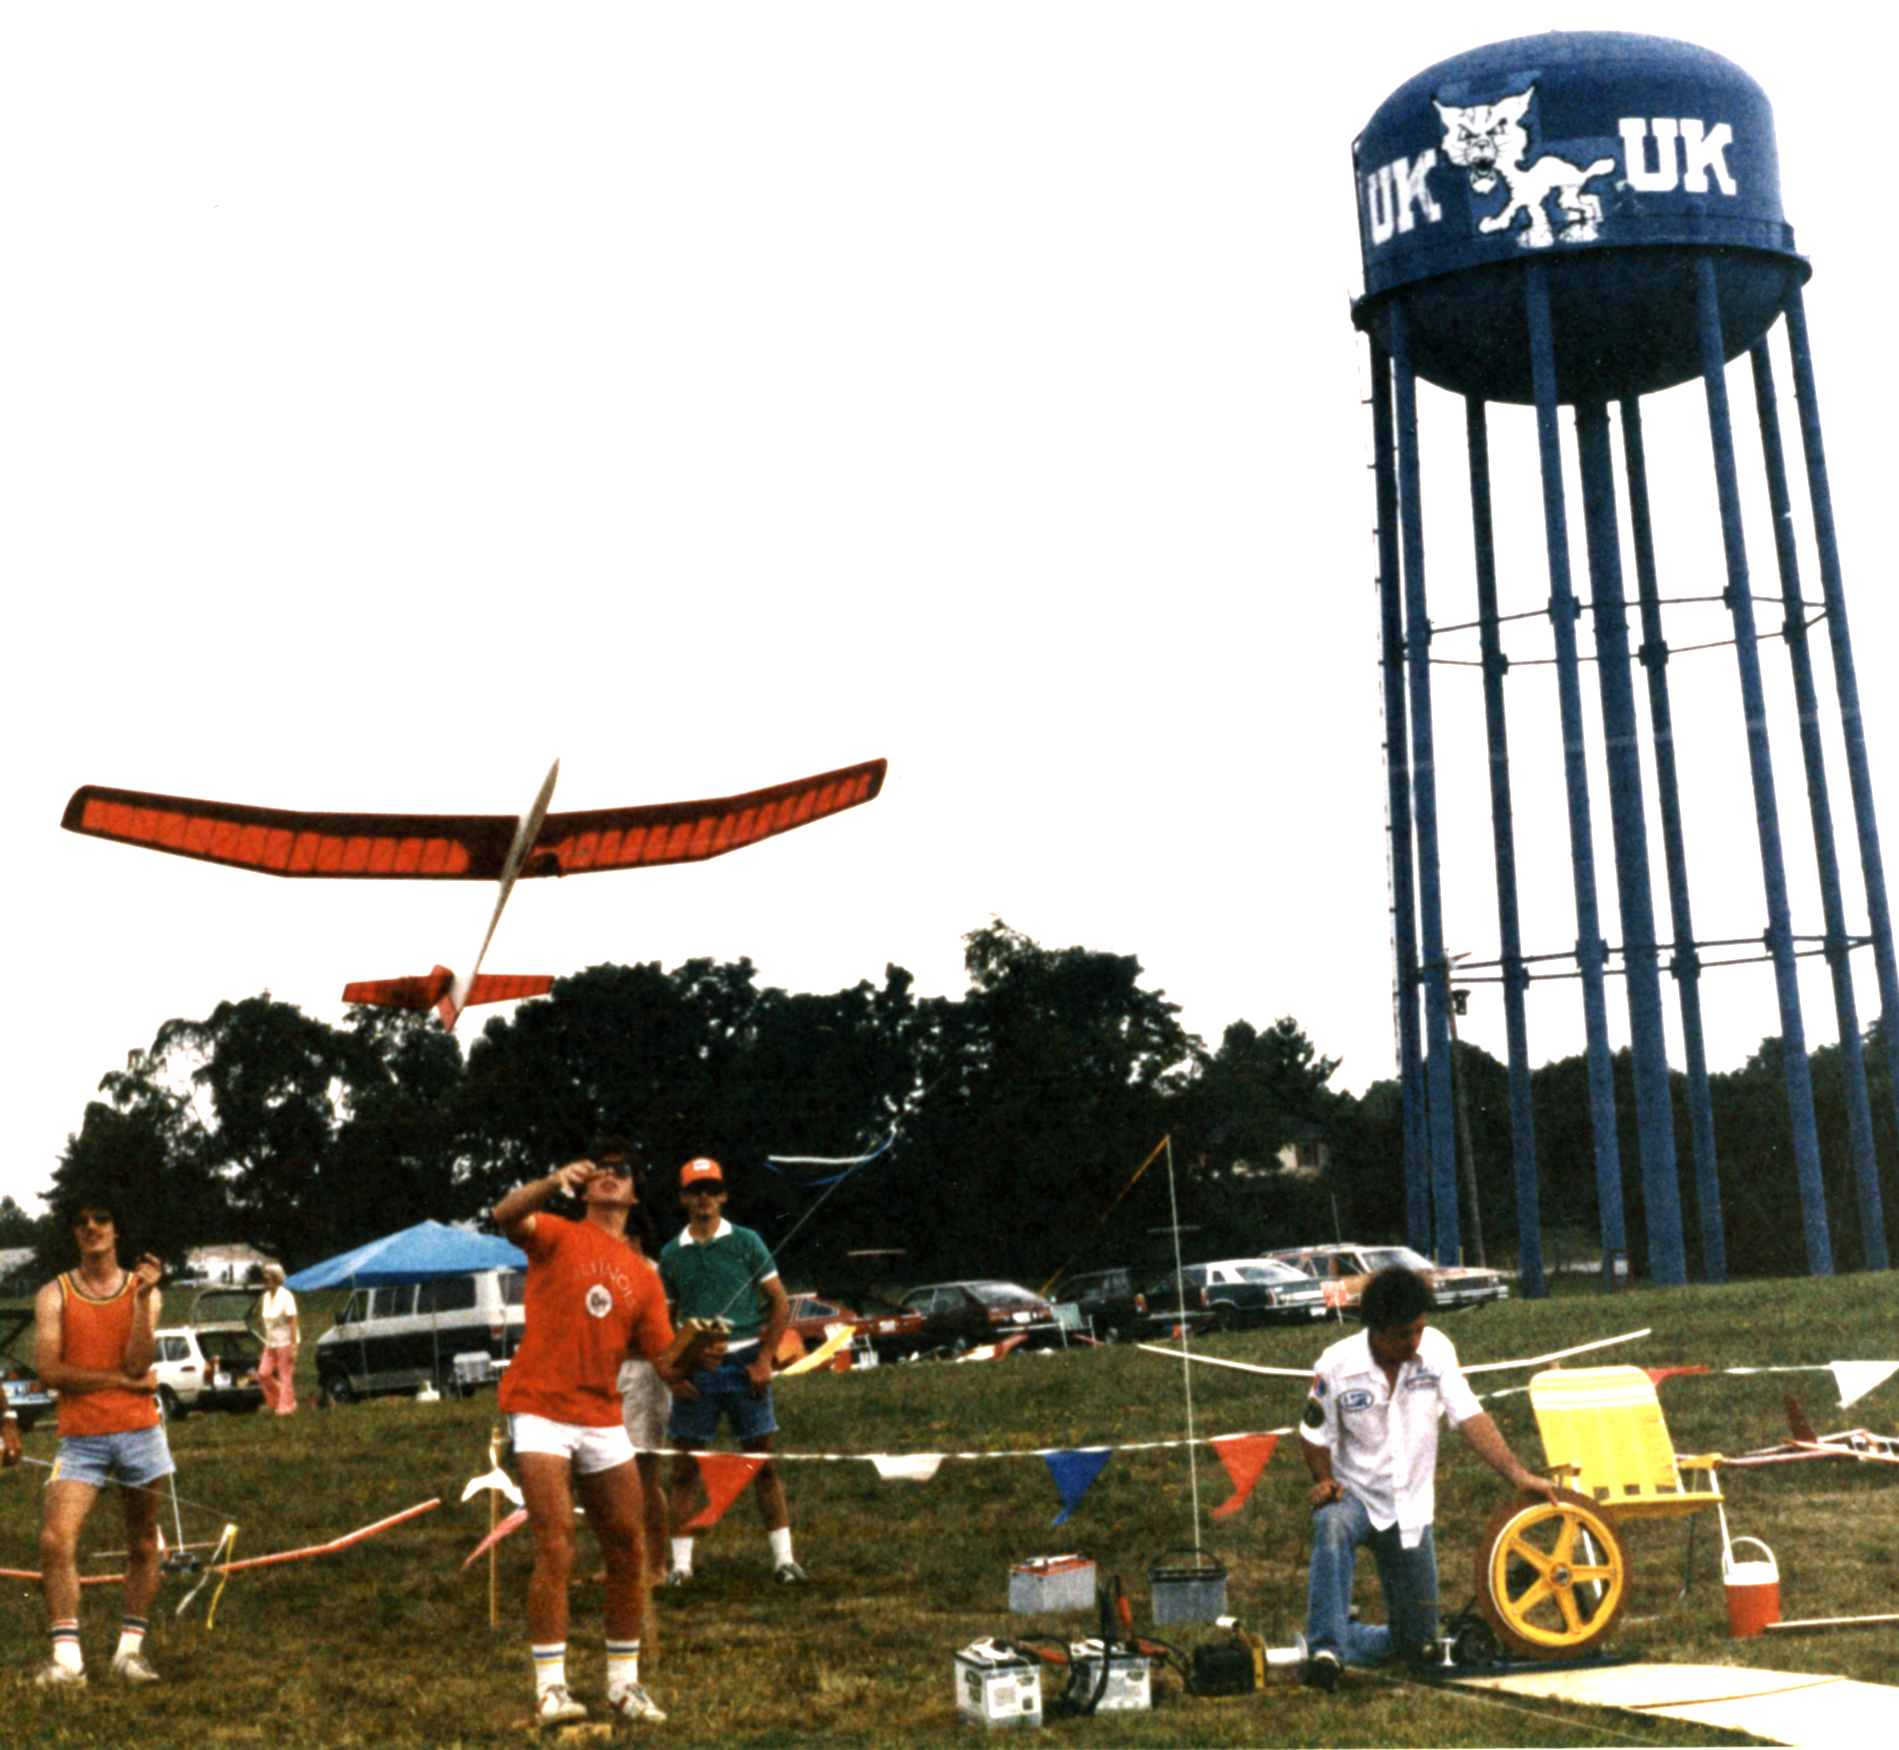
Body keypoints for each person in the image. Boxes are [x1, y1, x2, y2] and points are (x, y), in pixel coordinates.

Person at [1298, 1263, 1556, 1691]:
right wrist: (1324, 1479)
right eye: (1403, 1334)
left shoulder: (1436, 1351)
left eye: (1420, 1329)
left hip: (1411, 1508)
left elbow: (1470, 1417)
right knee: (1330, 1523)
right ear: (1376, 1331)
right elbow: (1313, 1434)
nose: (1415, 1341)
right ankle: (1326, 1652)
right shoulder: (1335, 1365)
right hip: (1355, 1497)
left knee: (1416, 1645)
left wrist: (1518, 1474)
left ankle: (1349, 1632)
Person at [495, 1138, 676, 1728]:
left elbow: (666, 1360)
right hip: (539, 1407)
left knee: (629, 1548)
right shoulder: (556, 1231)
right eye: (598, 1170)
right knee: (556, 1545)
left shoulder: (646, 1277)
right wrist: (553, 1180)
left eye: (620, 1172)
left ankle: (624, 1686)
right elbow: (504, 1216)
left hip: (603, 1415)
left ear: (634, 1189)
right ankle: (551, 1689)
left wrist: (705, 1354)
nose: (607, 1177)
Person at [31, 1191, 171, 1688]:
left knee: (142, 1540)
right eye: (82, 1220)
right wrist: (120, 1382)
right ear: (75, 1233)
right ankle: (68, 1662)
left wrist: (138, 1303)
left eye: (102, 1218)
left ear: (117, 1231)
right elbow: (50, 1372)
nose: (91, 1226)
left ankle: (129, 1653)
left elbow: (138, 1364)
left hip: (140, 1432)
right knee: (55, 1539)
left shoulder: (145, 1291)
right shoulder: (54, 1294)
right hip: (81, 1440)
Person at [659, 1157, 803, 1586]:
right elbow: (665, 1321)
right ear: (684, 1197)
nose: (704, 1198)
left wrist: (764, 1360)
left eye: (712, 1188)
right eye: (695, 1190)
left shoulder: (747, 1242)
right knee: (684, 1468)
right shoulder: (670, 1254)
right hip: (697, 1372)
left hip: (745, 1368)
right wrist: (675, 1369)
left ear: (723, 1195)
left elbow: (779, 1302)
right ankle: (681, 1567)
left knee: (763, 1464)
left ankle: (784, 1561)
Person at [255, 1263, 301, 1416]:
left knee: (285, 1375)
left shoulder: (286, 1296)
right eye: (265, 1278)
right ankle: (277, 1400)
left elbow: (293, 1321)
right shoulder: (266, 1297)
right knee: (263, 1373)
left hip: (286, 1341)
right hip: (271, 1343)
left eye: (268, 1279)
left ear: (276, 1279)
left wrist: (293, 1347)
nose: (265, 1282)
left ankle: (286, 1408)